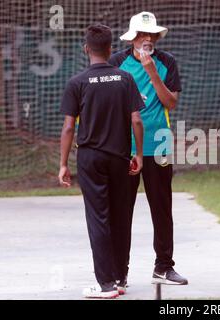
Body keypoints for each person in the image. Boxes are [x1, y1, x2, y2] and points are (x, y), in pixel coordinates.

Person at [58, 24, 144, 298]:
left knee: (99, 219)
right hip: (119, 157)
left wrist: (63, 164)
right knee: (121, 216)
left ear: (87, 49)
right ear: (110, 49)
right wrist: (139, 154)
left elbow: (69, 128)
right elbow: (136, 119)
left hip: (90, 158)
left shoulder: (77, 83)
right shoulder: (126, 78)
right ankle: (119, 278)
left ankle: (105, 285)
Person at [109, 12, 187, 286]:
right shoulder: (117, 63)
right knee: (121, 209)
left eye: (151, 35)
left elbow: (171, 103)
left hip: (160, 144)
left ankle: (163, 267)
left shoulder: (166, 62)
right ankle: (119, 272)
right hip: (124, 147)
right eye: (142, 35)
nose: (147, 39)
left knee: (162, 207)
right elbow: (110, 103)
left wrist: (152, 72)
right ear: (132, 37)